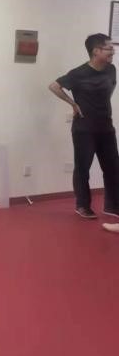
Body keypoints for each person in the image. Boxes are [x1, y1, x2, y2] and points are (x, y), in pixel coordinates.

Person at [48, 33, 119, 219]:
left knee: (113, 167)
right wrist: (73, 104)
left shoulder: (111, 69)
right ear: (96, 51)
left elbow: (108, 90)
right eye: (109, 48)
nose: (113, 51)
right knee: (83, 168)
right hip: (84, 129)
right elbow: (54, 86)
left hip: (106, 127)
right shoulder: (78, 73)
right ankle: (82, 205)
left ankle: (112, 206)